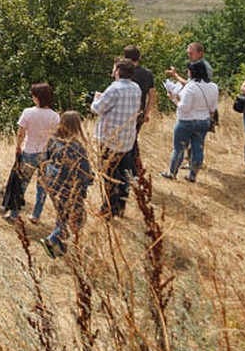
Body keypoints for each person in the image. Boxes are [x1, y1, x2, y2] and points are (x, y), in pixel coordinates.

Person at [90, 58, 142, 218]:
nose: (112, 71)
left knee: (109, 174)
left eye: (114, 68)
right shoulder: (136, 87)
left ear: (118, 71)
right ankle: (120, 206)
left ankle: (108, 208)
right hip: (127, 139)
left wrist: (96, 99)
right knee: (124, 174)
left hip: (110, 140)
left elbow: (97, 109)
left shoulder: (114, 89)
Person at [1, 83, 59, 222]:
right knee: (42, 186)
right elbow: (56, 137)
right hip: (46, 154)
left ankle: (14, 213)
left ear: (37, 98)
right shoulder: (55, 116)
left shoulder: (28, 112)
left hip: (29, 152)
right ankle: (36, 215)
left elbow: (20, 133)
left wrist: (17, 146)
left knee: (21, 184)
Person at [38, 111, 93, 258]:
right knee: (78, 218)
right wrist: (88, 181)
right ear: (77, 126)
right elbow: (84, 170)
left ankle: (60, 249)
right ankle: (52, 239)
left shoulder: (53, 141)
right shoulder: (76, 147)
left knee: (62, 214)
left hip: (52, 185)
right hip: (70, 188)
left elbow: (43, 160)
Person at [161, 60, 219, 182]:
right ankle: (193, 175)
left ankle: (172, 173)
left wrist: (173, 99)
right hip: (203, 121)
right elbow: (213, 108)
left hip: (186, 121)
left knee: (179, 148)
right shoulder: (214, 87)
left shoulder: (190, 87)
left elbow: (184, 108)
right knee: (198, 147)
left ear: (191, 72)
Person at [119, 45, 158, 183]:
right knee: (132, 140)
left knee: (129, 142)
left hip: (124, 112)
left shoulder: (124, 73)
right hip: (139, 112)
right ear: (139, 57)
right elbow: (152, 94)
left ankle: (132, 172)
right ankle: (135, 171)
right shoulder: (147, 73)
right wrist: (147, 112)